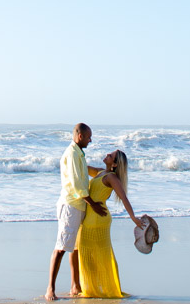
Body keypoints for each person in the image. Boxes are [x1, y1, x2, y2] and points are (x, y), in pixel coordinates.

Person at [46, 123, 107, 301]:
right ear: (80, 136)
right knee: (61, 247)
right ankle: (50, 288)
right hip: (71, 205)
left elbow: (87, 172)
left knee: (75, 247)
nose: (90, 140)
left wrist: (109, 172)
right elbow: (76, 184)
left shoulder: (79, 154)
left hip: (79, 206)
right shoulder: (72, 153)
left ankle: (75, 285)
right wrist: (93, 204)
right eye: (89, 137)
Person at [75, 149, 145, 298]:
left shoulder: (112, 177)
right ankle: (92, 289)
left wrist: (133, 218)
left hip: (98, 218)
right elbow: (83, 167)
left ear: (114, 164)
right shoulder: (100, 172)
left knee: (99, 255)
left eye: (110, 156)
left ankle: (98, 289)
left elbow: (124, 198)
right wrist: (76, 153)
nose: (106, 155)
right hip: (90, 216)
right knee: (88, 254)